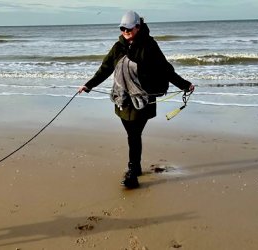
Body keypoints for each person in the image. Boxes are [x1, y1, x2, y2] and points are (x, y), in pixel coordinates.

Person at [77, 10, 195, 188]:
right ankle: (136, 167)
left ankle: (132, 172)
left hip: (143, 98)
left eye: (129, 28)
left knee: (134, 133)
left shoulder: (149, 46)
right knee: (132, 134)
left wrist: (184, 84)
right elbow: (105, 68)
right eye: (122, 28)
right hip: (123, 98)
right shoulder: (118, 47)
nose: (125, 31)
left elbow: (165, 69)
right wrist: (89, 85)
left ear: (138, 27)